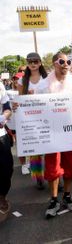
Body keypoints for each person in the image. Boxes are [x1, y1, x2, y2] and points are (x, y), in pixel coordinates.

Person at [36, 52, 72, 218]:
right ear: (55, 63)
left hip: (71, 131)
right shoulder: (43, 85)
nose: (65, 64)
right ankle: (54, 199)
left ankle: (67, 196)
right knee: (53, 166)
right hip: (52, 132)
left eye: (68, 61)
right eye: (62, 61)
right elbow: (35, 108)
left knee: (71, 165)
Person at [17, 53, 48, 189]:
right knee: (35, 152)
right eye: (30, 62)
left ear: (40, 63)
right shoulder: (22, 81)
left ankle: (54, 177)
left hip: (48, 118)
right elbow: (19, 99)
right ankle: (38, 178)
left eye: (35, 61)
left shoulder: (47, 78)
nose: (33, 64)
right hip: (30, 120)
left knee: (51, 150)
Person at [0, 81, 13, 223]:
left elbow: (7, 107)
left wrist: (4, 116)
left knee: (6, 169)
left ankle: (2, 196)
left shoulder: (0, 86)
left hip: (1, 135)